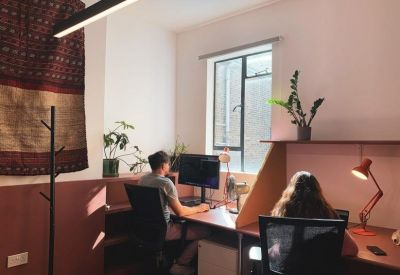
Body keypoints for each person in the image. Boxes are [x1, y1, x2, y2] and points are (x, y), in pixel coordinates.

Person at [139, 151, 210, 275]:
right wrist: (200, 208)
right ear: (163, 166)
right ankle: (181, 264)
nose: (169, 166)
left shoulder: (143, 179)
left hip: (147, 229)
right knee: (206, 231)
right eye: (168, 163)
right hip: (164, 230)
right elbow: (181, 212)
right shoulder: (166, 183)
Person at [271, 171, 358, 256]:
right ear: (318, 191)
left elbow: (276, 245)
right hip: (320, 269)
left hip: (287, 268)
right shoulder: (328, 216)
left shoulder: (283, 213)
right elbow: (352, 249)